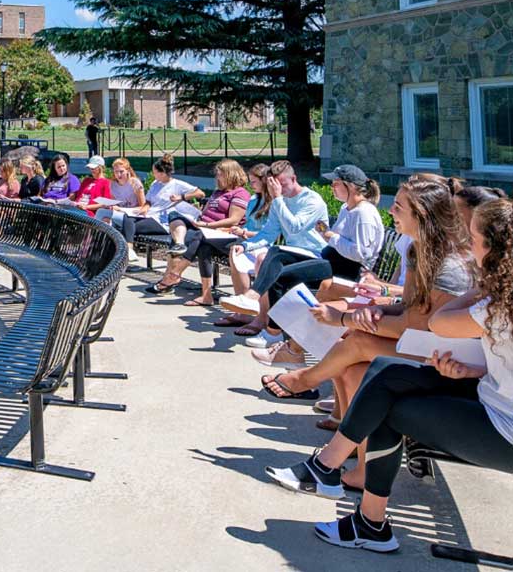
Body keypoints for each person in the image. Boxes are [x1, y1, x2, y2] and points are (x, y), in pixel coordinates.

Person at [264, 197, 513, 554]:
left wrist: (481, 287)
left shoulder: (498, 302)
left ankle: (360, 510)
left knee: (387, 406)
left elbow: (439, 322)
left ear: (494, 251)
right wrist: (477, 368)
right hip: (488, 391)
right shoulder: (502, 297)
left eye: (474, 239)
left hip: (503, 426)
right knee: (384, 372)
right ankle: (333, 477)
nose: (468, 246)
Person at [258, 176, 472, 459]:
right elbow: (408, 307)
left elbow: (415, 326)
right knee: (352, 367)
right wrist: (376, 310)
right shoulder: (417, 250)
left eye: (398, 207)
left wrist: (346, 318)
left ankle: (305, 379)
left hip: (448, 357)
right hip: (421, 342)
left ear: (420, 215)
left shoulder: (447, 262)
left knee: (357, 341)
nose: (391, 211)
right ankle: (354, 452)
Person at [217, 160, 329, 329]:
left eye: (283, 184)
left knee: (269, 256)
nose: (280, 190)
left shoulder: (312, 200)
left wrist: (277, 198)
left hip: (316, 255)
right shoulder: (280, 202)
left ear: (294, 179)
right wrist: (246, 246)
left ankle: (255, 307)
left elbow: (295, 227)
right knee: (260, 256)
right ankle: (259, 316)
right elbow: (268, 233)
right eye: (275, 186)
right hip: (293, 254)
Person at [150, 159, 250, 304]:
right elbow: (207, 211)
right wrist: (196, 215)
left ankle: (176, 272)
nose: (217, 177)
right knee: (177, 218)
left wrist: (208, 225)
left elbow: (234, 220)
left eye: (220, 174)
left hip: (224, 234)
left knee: (200, 238)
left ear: (230, 174)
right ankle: (206, 296)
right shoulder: (218, 192)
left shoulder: (240, 193)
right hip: (204, 229)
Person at [216, 164, 274, 330]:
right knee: (236, 252)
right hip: (250, 242)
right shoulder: (254, 200)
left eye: (254, 181)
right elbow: (249, 225)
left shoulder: (274, 202)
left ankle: (253, 309)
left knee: (259, 259)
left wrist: (245, 233)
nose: (251, 185)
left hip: (266, 245)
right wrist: (240, 232)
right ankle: (242, 307)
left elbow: (270, 234)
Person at [116, 154, 203, 263]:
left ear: (162, 174)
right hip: (150, 215)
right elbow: (148, 201)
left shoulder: (177, 184)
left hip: (162, 221)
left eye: (155, 172)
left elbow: (200, 193)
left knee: (126, 227)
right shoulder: (155, 184)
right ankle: (129, 250)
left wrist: (182, 197)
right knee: (127, 219)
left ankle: (128, 251)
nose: (153, 174)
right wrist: (145, 207)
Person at [94, 158, 145, 230]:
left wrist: (121, 209)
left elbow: (143, 207)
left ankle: (93, 238)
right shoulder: (113, 184)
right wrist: (110, 206)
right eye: (116, 172)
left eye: (121, 171)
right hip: (119, 214)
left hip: (132, 217)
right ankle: (94, 237)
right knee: (101, 212)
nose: (118, 174)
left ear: (127, 170)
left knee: (103, 215)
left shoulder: (135, 183)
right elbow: (115, 204)